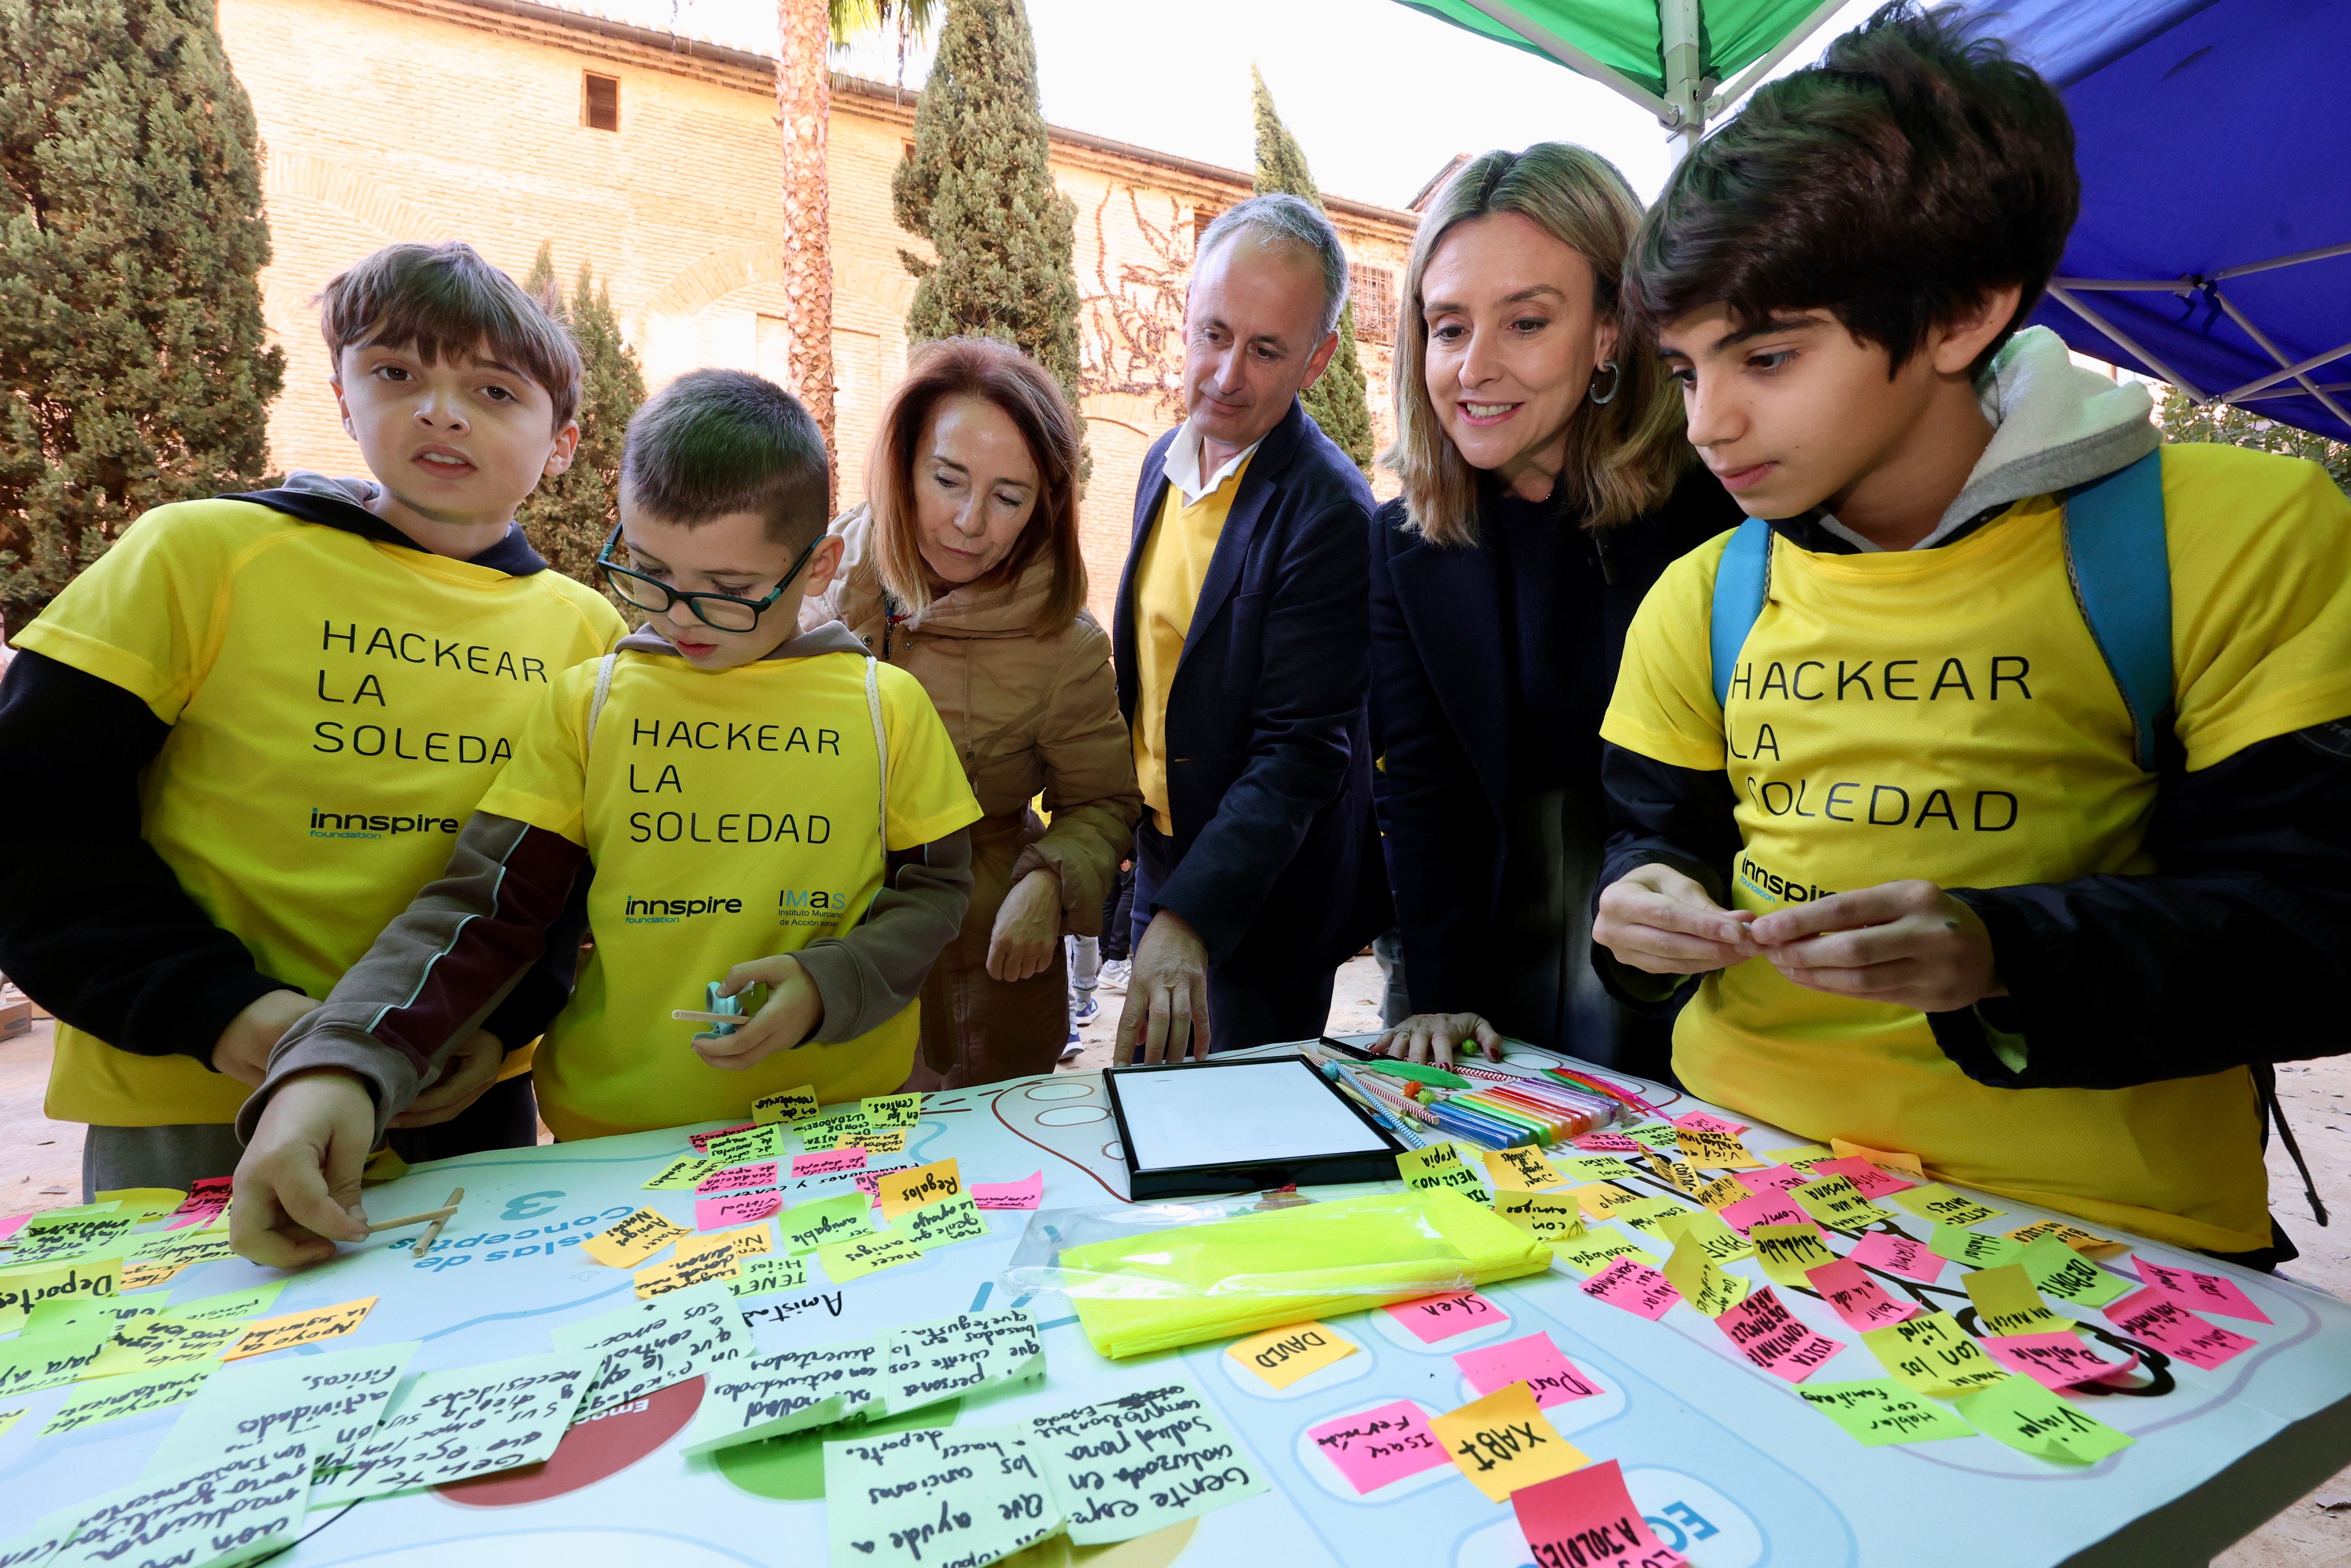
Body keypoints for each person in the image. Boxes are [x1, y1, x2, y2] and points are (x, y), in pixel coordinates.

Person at [1592, 4, 2351, 1266]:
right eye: (1682, 371)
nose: (1709, 424)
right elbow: (1652, 836)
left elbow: (2320, 931)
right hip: (1736, 1184)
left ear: (1963, 314)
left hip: (2111, 1231)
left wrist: (2005, 952)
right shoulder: (1702, 592)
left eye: (1768, 357)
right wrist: (1638, 911)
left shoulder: (2239, 533)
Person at [231, 370, 981, 1266]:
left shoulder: (884, 707)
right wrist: (341, 1062)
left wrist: (835, 980)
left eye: (727, 586)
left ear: (819, 566)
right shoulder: (587, 703)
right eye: (651, 572)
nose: (678, 615)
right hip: (611, 1147)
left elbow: (936, 889)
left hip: (836, 1135)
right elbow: (482, 907)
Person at [0, 241, 625, 1198]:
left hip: (458, 1100)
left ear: (564, 443)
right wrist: (233, 1017)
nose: (441, 410)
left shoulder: (588, 628)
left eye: (495, 391)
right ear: (342, 397)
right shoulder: (197, 552)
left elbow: (570, 882)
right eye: (396, 373)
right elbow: (33, 827)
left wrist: (503, 1028)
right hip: (193, 1100)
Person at [1365, 145, 1740, 1072]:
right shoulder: (1404, 538)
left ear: (1611, 330)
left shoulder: (1722, 512)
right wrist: (1441, 993)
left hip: (1696, 949)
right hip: (1483, 945)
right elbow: (1422, 784)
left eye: (1526, 322)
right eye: (1448, 328)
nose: (1473, 368)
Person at [810, 338, 1140, 1089]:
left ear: (1044, 504)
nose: (968, 521)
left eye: (1008, 496)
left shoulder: (1065, 643)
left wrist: (1049, 882)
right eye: (948, 479)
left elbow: (1103, 803)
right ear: (905, 464)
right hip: (818, 972)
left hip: (979, 987)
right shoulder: (817, 581)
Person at [1113, 194, 1388, 1063]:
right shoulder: (1159, 460)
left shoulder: (1333, 513)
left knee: (1237, 1152)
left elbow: (1302, 752)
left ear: (1318, 360)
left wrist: (1189, 919)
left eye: (1266, 350)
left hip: (1268, 895)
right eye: (1213, 334)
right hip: (1162, 854)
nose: (1227, 375)